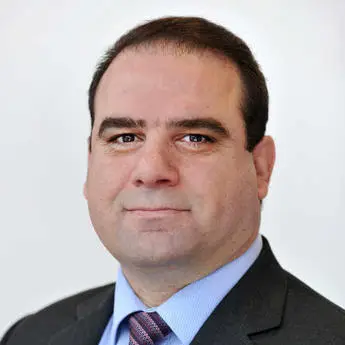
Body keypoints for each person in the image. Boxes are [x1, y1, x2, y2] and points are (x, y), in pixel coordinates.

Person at [2, 15, 345, 345]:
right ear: (90, 161)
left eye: (195, 137)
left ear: (260, 167)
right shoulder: (30, 336)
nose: (151, 171)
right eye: (124, 137)